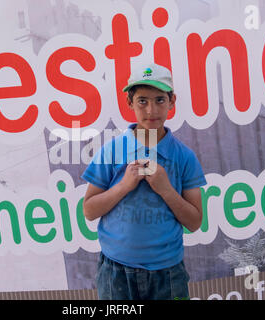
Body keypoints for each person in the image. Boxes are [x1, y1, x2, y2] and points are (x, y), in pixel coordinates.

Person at [80, 63, 207, 300]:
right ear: (129, 102)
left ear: (172, 101)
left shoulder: (184, 157)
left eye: (160, 100)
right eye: (142, 101)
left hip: (168, 273)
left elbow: (195, 221)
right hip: (115, 272)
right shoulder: (112, 151)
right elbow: (89, 210)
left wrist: (167, 190)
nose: (151, 110)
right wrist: (124, 186)